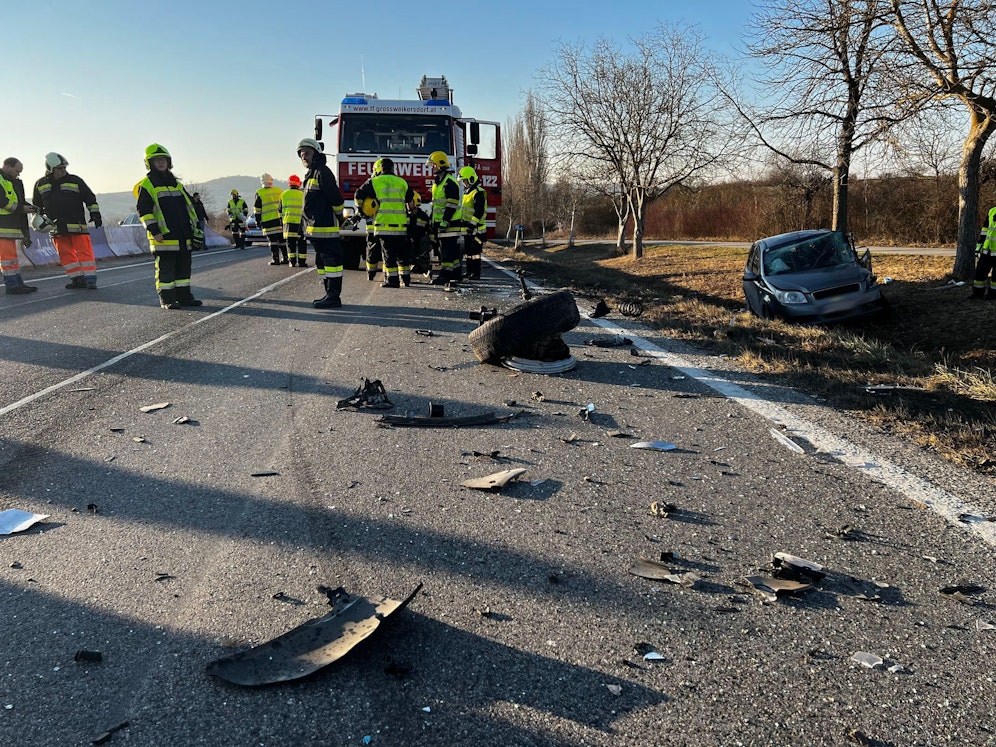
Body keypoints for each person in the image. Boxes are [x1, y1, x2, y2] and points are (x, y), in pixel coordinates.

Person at [136, 143, 203, 309]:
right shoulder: (147, 184)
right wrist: (154, 230)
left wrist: (196, 230)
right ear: (149, 163)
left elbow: (190, 208)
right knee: (166, 270)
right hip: (163, 236)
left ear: (169, 162)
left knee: (183, 270)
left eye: (163, 159)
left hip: (183, 235)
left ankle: (185, 297)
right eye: (156, 160)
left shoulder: (177, 184)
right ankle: (167, 299)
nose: (160, 162)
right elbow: (143, 210)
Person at [32, 152, 101, 289]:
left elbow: (90, 198)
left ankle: (90, 279)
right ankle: (77, 279)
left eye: (64, 168)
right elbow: (37, 206)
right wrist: (38, 219)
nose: (63, 171)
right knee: (65, 254)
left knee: (84, 252)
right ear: (50, 169)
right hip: (56, 227)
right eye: (59, 168)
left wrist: (95, 213)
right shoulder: (40, 184)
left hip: (77, 225)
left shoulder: (75, 180)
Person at [297, 138, 345, 309]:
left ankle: (333, 297)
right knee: (322, 263)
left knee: (332, 263)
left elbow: (336, 199)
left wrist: (342, 219)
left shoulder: (322, 172)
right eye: (301, 154)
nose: (304, 156)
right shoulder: (311, 174)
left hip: (325, 229)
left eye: (307, 153)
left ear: (316, 154)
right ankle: (328, 293)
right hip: (315, 231)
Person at [353, 158, 414, 287]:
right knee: (402, 254)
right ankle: (406, 279)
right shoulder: (402, 182)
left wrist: (361, 209)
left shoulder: (374, 182)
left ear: (380, 169)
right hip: (401, 226)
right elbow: (410, 198)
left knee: (388, 254)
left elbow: (358, 194)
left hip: (384, 226)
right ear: (393, 168)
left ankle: (392, 281)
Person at [0, 157, 38, 294]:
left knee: (11, 257)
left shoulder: (10, 180)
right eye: (17, 171)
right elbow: (3, 202)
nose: (18, 174)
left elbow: (17, 201)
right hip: (2, 226)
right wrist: (21, 209)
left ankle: (17, 283)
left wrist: (29, 207)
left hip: (9, 226)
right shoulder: (1, 179)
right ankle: (12, 285)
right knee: (7, 258)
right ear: (8, 166)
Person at [425, 150, 462, 285]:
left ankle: (445, 276)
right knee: (450, 251)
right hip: (441, 222)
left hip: (449, 223)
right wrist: (432, 220)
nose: (432, 168)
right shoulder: (438, 182)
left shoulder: (449, 182)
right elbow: (436, 205)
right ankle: (456, 273)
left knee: (446, 251)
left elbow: (452, 205)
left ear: (440, 165)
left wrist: (445, 221)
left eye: (433, 165)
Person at [458, 165, 487, 280]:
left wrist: (471, 224)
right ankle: (470, 272)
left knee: (475, 253)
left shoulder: (478, 192)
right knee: (469, 253)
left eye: (465, 180)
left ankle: (476, 273)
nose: (464, 183)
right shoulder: (467, 192)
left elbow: (479, 211)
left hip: (477, 230)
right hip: (468, 229)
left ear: (471, 179)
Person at [255, 173, 286, 265]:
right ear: (271, 180)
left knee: (272, 241)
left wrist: (258, 221)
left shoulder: (260, 192)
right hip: (280, 219)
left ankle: (275, 259)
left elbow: (257, 210)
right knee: (282, 240)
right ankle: (285, 258)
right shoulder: (279, 190)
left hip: (268, 221)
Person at [970, 205, 996, 300]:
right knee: (980, 273)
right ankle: (977, 294)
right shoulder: (992, 211)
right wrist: (979, 245)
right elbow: (985, 230)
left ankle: (993, 295)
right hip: (987, 250)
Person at [281, 175, 307, 267]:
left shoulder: (283, 194)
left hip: (288, 223)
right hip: (301, 223)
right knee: (302, 243)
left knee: (290, 243)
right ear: (298, 184)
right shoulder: (303, 194)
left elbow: (280, 210)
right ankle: (302, 262)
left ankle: (292, 262)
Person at [407, 191, 432, 278]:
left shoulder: (423, 216)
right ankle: (411, 265)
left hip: (420, 240)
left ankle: (423, 266)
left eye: (409, 202)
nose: (407, 204)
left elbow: (429, 229)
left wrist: (432, 242)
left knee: (424, 240)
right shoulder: (404, 215)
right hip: (409, 241)